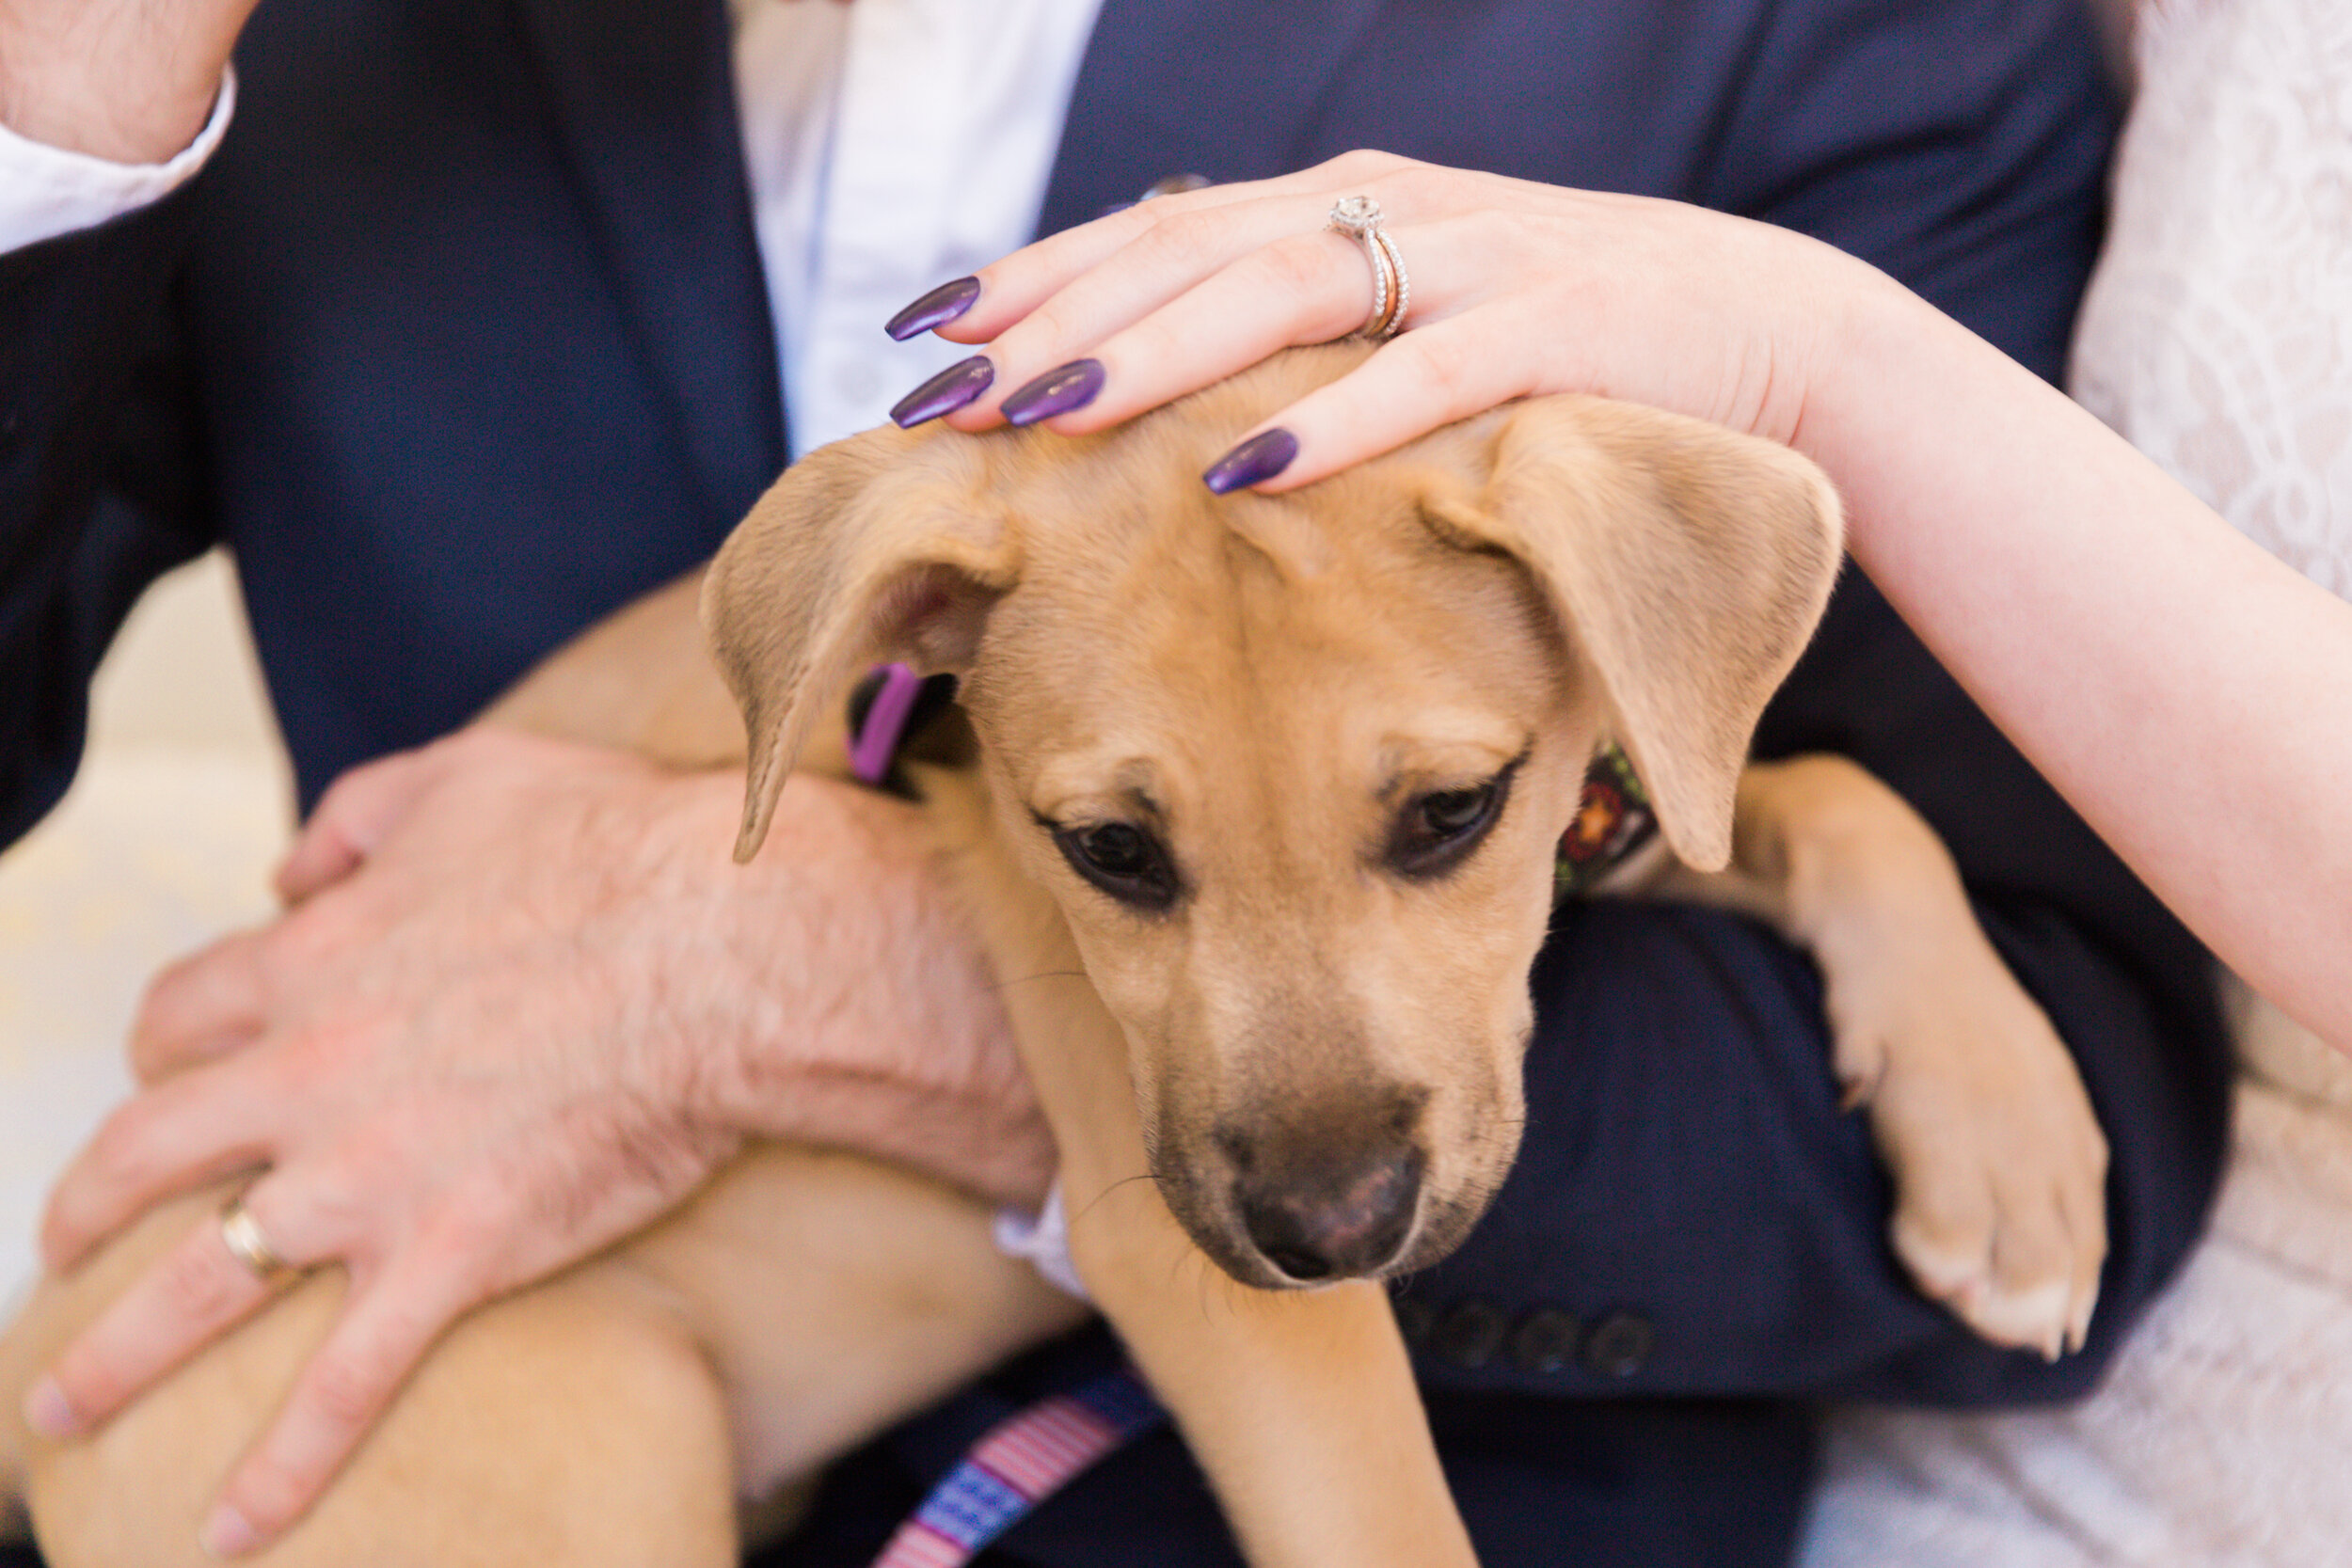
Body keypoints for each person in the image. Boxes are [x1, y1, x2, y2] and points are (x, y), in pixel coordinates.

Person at [0, 2, 2228, 1564]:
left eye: (1437, 816)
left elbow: (2059, 1090)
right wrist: (72, 82)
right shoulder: (311, 56)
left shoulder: (1802, 54)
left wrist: (866, 971)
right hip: (353, 1396)